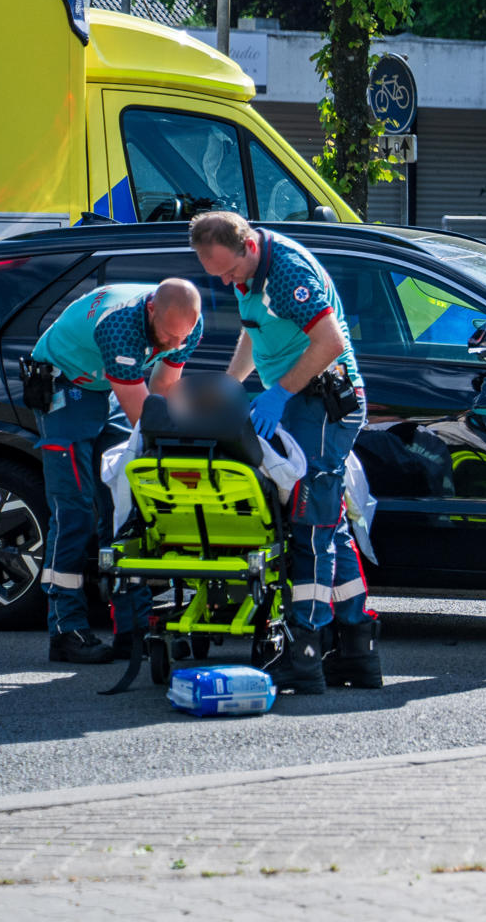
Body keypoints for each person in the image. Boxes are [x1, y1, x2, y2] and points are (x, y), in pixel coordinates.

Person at [189, 210, 380, 694]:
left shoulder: (286, 271)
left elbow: (330, 341)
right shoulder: (246, 270)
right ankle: (356, 650)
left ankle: (306, 653)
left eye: (230, 271)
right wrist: (231, 386)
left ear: (249, 246)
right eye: (218, 275)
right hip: (301, 402)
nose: (227, 281)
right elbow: (253, 329)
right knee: (328, 523)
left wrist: (279, 393)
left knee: (309, 526)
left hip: (321, 403)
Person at [29, 280, 202, 663]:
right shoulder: (119, 325)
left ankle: (132, 630)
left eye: (182, 337)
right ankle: (66, 631)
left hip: (108, 387)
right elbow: (144, 421)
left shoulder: (188, 325)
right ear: (152, 309)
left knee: (125, 508)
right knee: (73, 511)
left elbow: (161, 388)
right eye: (168, 335)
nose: (175, 344)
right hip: (66, 385)